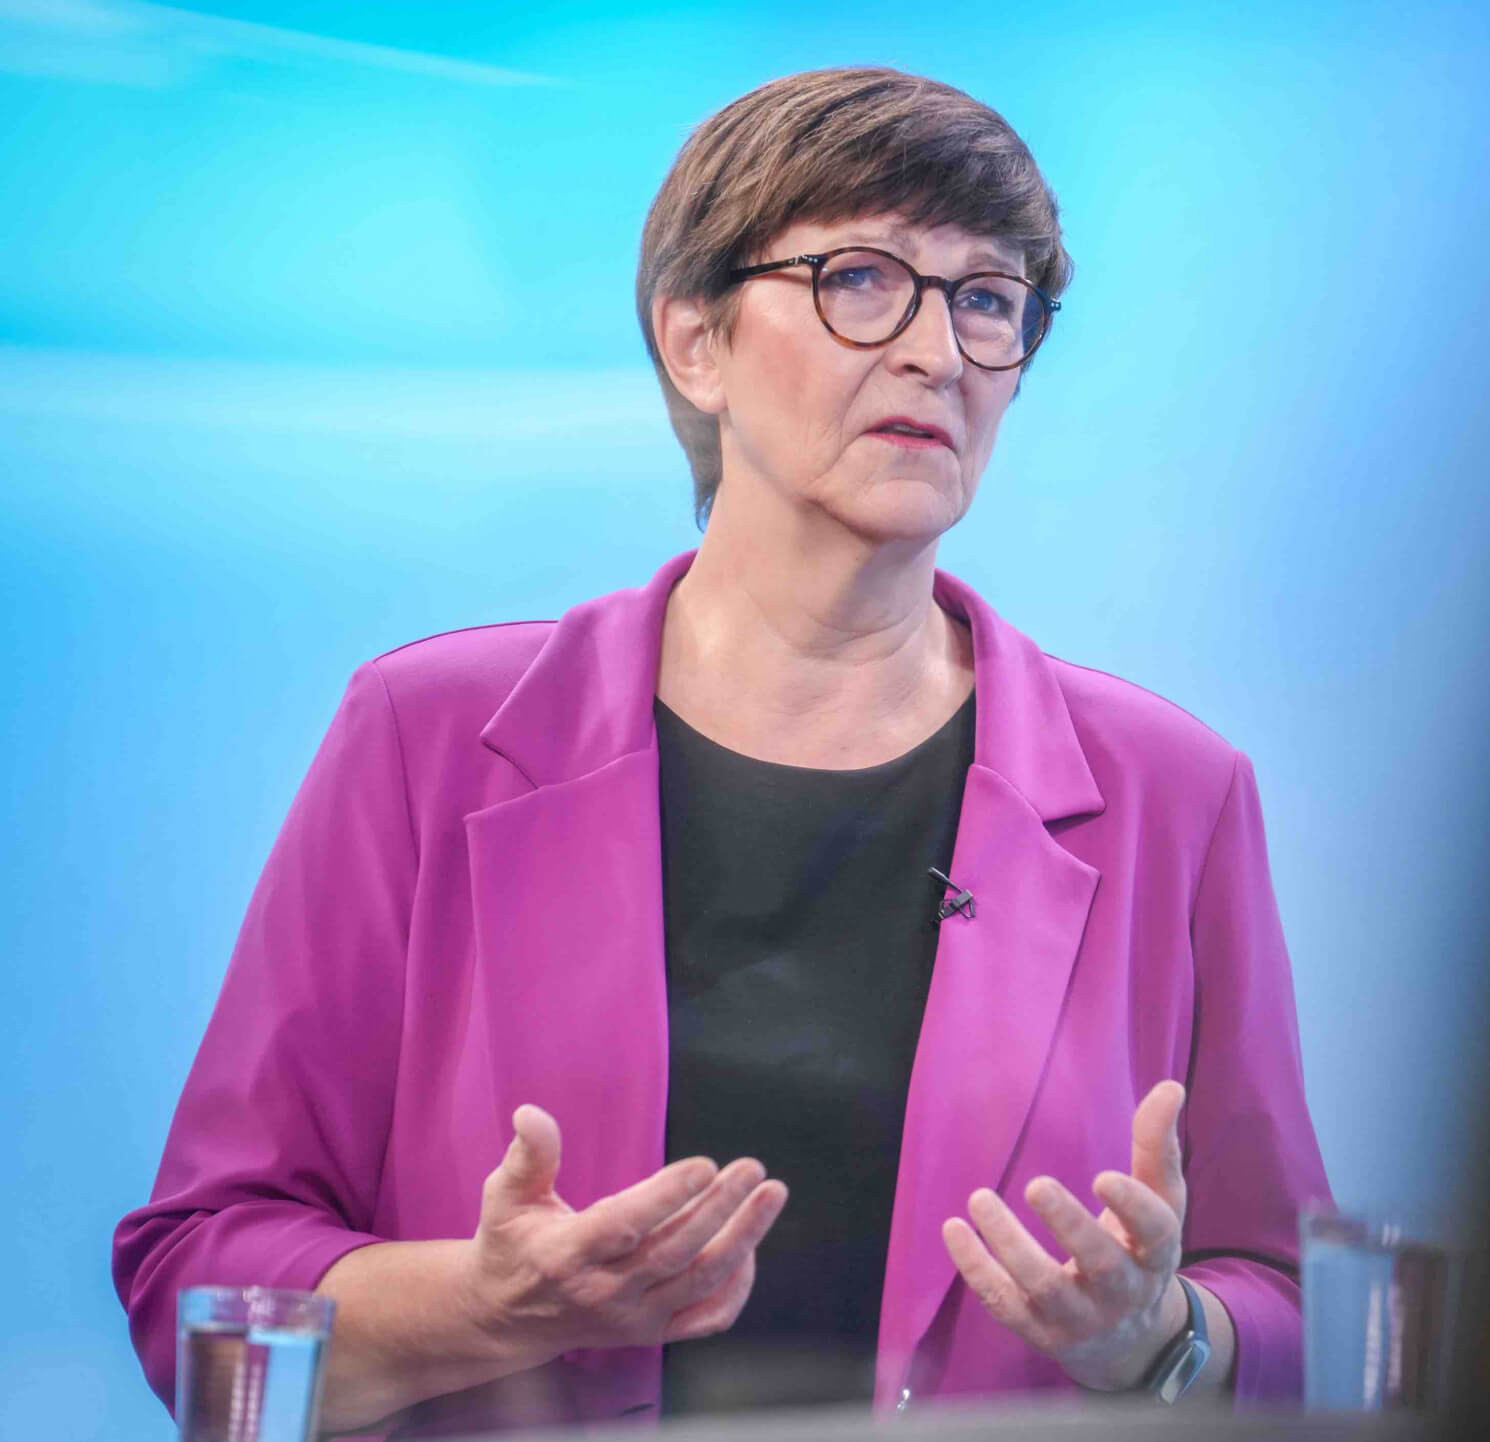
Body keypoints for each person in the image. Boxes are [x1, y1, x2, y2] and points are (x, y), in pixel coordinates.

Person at [111, 66, 1330, 1435]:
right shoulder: (428, 737)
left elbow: (1289, 1304)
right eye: (862, 280)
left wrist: (1163, 1336)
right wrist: (489, 1301)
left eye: (987, 299)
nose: (937, 351)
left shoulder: (1175, 794)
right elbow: (196, 1276)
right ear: (695, 341)